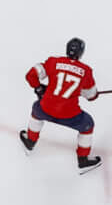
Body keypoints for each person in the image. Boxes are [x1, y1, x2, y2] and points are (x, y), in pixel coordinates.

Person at [19, 37, 103, 171]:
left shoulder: (53, 61)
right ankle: (83, 159)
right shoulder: (86, 71)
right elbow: (91, 96)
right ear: (81, 53)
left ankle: (30, 141)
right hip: (70, 115)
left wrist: (39, 88)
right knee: (88, 125)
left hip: (46, 109)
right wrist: (93, 93)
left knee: (36, 109)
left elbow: (31, 75)